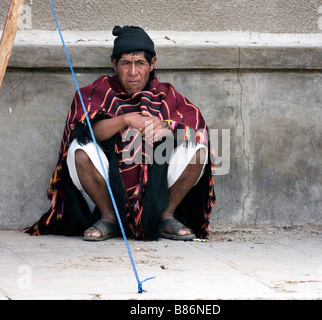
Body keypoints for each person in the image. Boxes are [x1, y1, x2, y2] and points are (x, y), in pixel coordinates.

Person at [25, 26, 215, 241]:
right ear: (114, 64)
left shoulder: (166, 95)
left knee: (198, 148)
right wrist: (125, 120)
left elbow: (195, 126)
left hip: (159, 188)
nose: (133, 72)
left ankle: (165, 216)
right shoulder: (98, 92)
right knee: (79, 150)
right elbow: (89, 130)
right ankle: (109, 218)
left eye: (140, 63)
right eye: (126, 63)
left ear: (152, 64)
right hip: (106, 181)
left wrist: (166, 127)